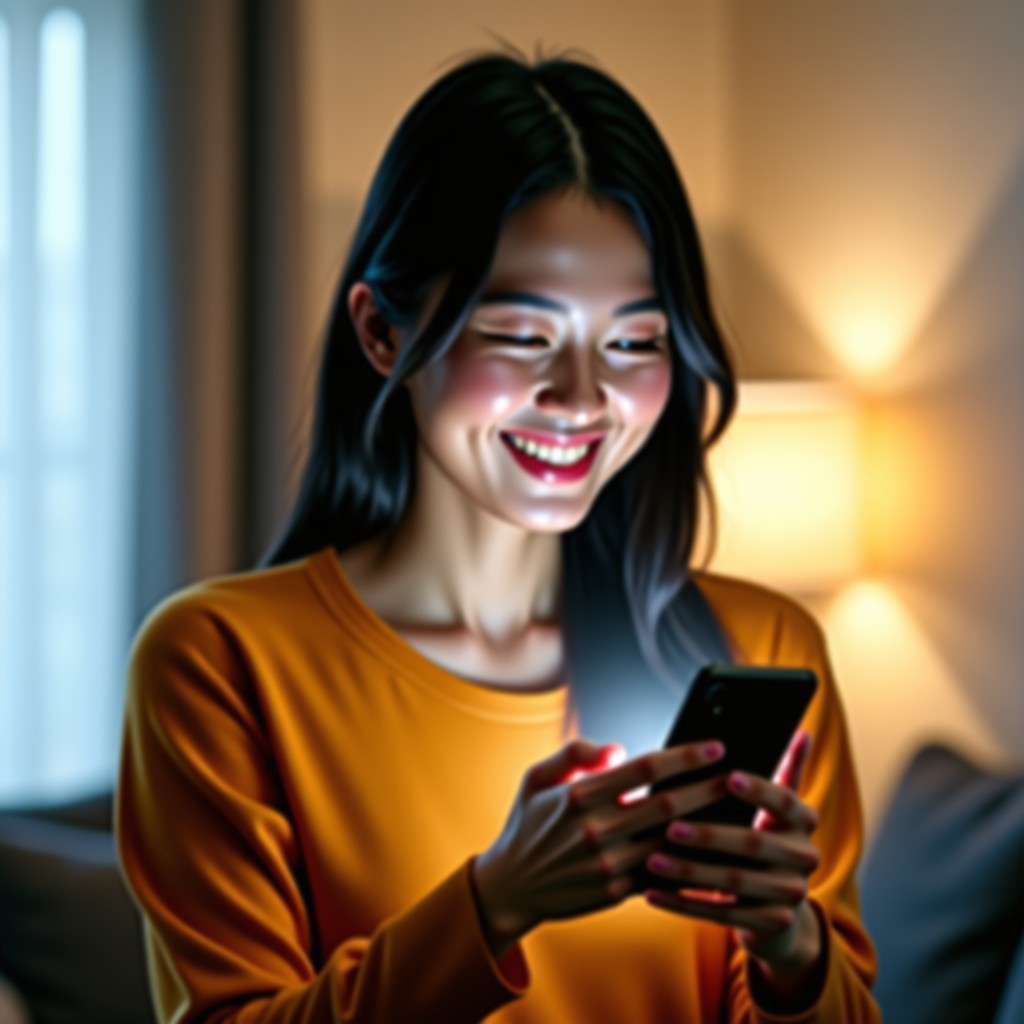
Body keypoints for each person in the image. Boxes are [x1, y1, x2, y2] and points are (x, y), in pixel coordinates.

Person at [115, 42, 880, 1023]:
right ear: (382, 332)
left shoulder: (763, 646)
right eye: (522, 336)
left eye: (633, 342)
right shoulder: (220, 661)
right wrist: (495, 903)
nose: (581, 396)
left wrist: (789, 943)